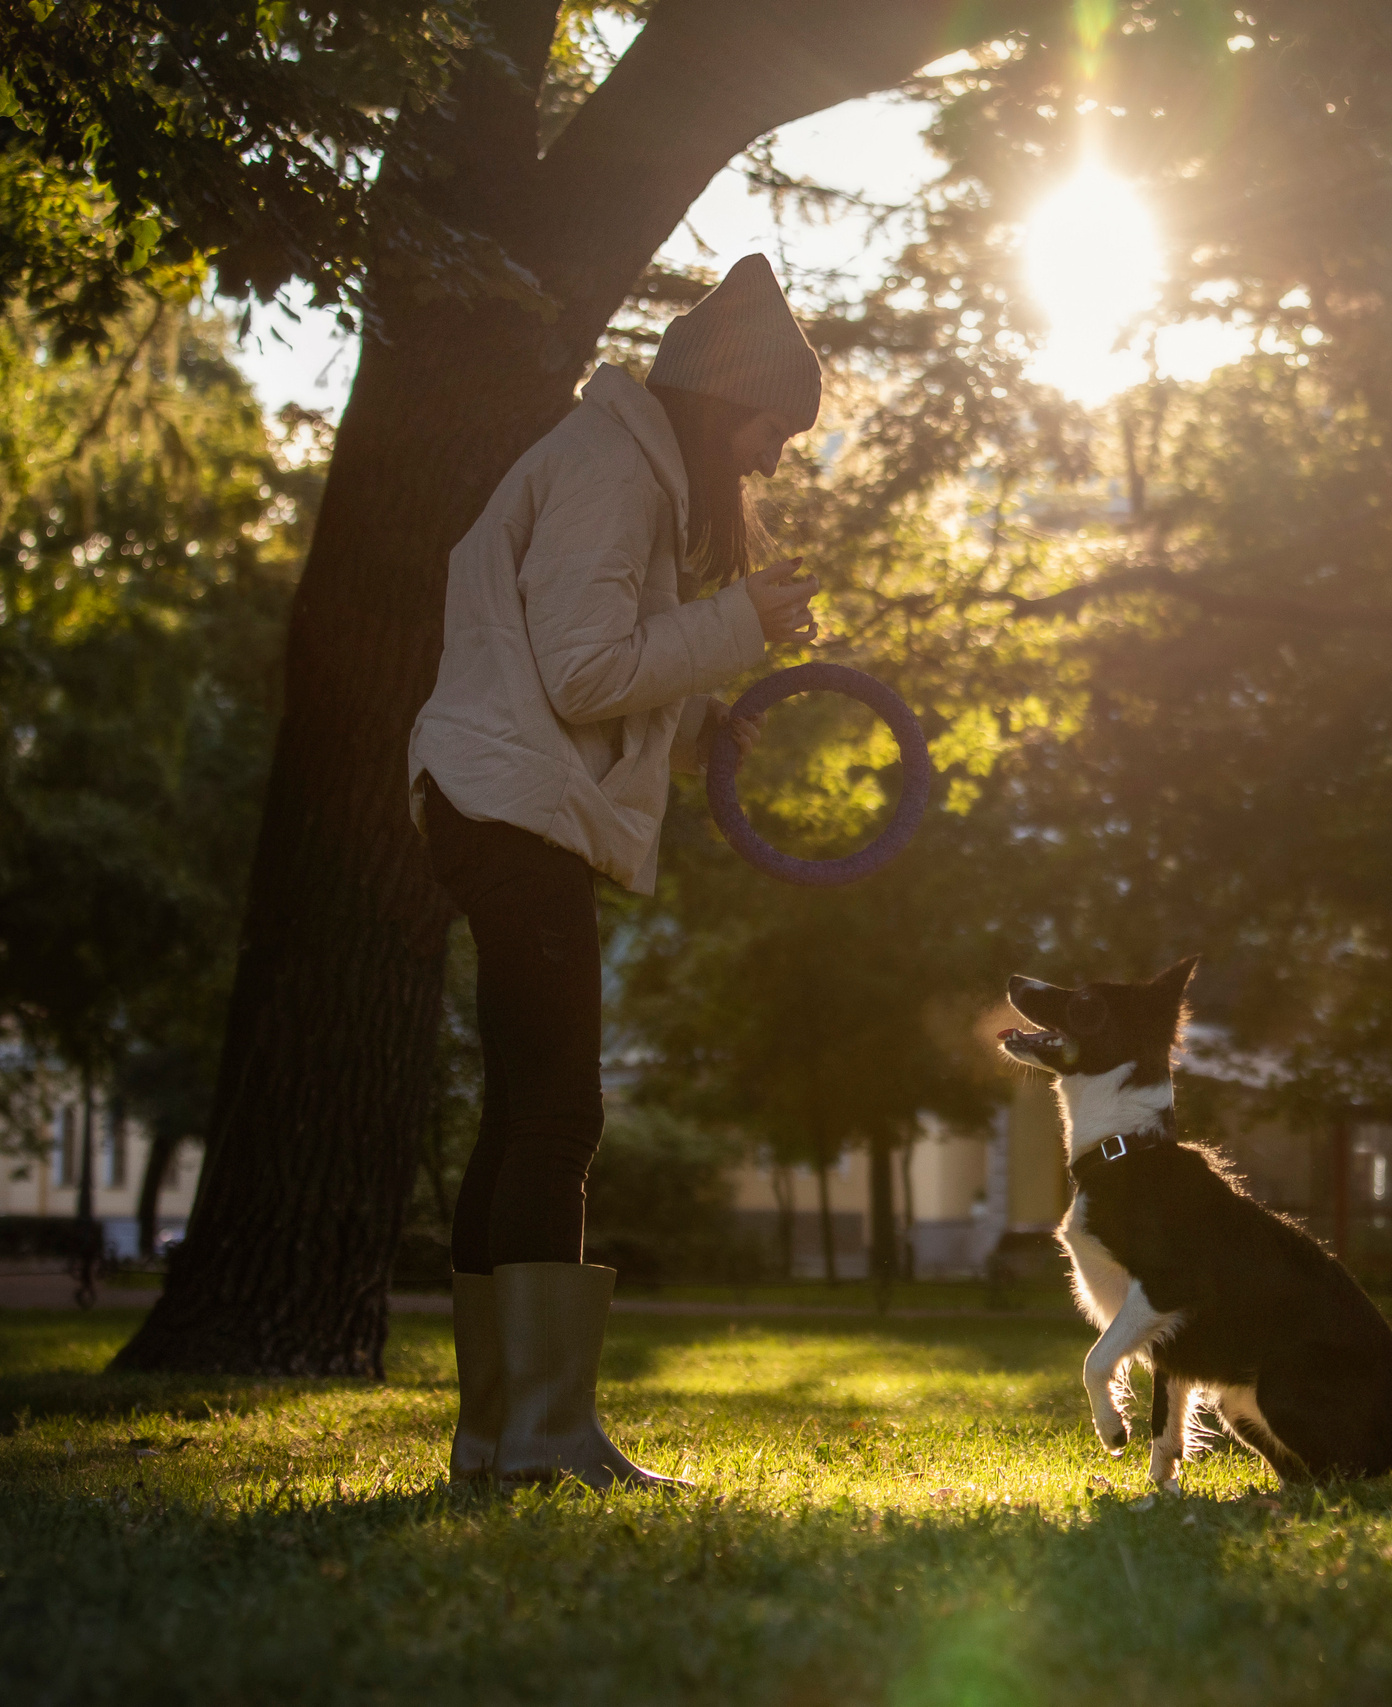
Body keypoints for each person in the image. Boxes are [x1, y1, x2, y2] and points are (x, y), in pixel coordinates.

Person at [407, 254, 822, 1488]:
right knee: (558, 1113)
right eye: (769, 425)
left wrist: (702, 725)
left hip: (500, 796)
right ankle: (537, 1439)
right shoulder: (608, 473)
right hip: (507, 805)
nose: (772, 458)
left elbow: (585, 665)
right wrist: (741, 623)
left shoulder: (619, 469)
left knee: (525, 1113)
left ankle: (497, 1440)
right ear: (718, 402)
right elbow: (582, 674)